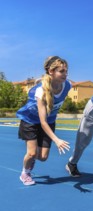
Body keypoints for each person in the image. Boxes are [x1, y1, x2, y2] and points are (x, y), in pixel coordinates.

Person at [17, 56, 71, 186]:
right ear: (51, 71)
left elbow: (47, 120)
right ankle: (25, 173)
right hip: (30, 120)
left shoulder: (67, 85)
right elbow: (43, 122)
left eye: (66, 71)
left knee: (43, 157)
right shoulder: (41, 91)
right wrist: (57, 140)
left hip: (49, 120)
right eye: (61, 71)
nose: (65, 74)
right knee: (31, 153)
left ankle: (32, 158)